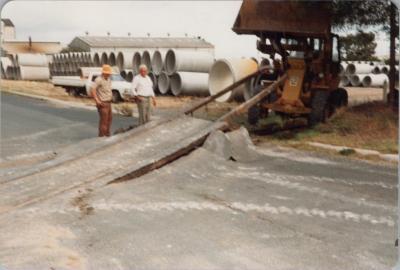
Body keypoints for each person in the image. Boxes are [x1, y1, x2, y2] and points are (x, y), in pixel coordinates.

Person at [91, 64, 113, 137]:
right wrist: (97, 100)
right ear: (104, 72)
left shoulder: (109, 79)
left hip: (109, 102)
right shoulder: (98, 79)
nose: (109, 74)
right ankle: (101, 137)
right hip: (102, 103)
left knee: (109, 120)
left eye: (109, 73)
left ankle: (107, 135)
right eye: (107, 73)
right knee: (104, 121)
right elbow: (93, 90)